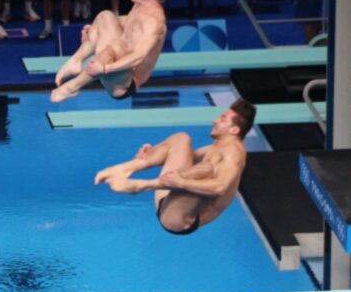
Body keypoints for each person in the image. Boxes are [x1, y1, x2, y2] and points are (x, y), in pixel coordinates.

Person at [93, 100, 256, 235]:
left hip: (181, 219)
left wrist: (181, 183)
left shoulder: (234, 152)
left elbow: (219, 187)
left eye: (222, 119)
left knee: (206, 169)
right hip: (167, 202)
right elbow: (182, 155)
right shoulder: (220, 146)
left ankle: (141, 185)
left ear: (234, 130)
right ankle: (127, 168)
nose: (215, 120)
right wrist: (152, 153)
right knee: (181, 139)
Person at [51, 0, 176, 102]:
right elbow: (127, 22)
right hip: (111, 64)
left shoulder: (155, 21)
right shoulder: (140, 4)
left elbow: (138, 57)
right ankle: (75, 61)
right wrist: (94, 30)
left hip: (125, 83)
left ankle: (71, 87)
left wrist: (105, 69)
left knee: (118, 46)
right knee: (105, 16)